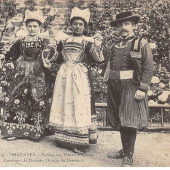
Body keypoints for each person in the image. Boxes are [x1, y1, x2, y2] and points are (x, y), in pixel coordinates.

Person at [46, 7, 104, 153]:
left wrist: (98, 47)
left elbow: (98, 60)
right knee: (64, 102)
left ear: (85, 26)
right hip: (64, 75)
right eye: (75, 24)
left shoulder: (87, 42)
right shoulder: (64, 40)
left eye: (80, 24)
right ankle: (63, 138)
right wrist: (50, 52)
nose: (77, 26)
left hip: (80, 76)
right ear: (70, 25)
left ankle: (80, 139)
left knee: (79, 103)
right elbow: (56, 58)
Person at [104, 11, 154, 166]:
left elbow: (148, 67)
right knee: (120, 119)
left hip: (132, 86)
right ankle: (125, 149)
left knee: (129, 120)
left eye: (126, 24)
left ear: (133, 26)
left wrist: (143, 88)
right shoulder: (114, 45)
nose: (123, 27)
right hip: (115, 86)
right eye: (120, 25)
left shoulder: (141, 43)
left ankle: (129, 156)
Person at [1, 10, 55, 141]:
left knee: (36, 99)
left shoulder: (44, 41)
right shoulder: (21, 41)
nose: (32, 29)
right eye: (30, 26)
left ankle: (35, 132)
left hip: (37, 73)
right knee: (17, 97)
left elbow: (51, 57)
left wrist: (48, 65)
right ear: (26, 27)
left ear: (40, 27)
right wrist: (6, 59)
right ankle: (14, 131)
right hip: (22, 72)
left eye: (35, 26)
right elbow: (11, 54)